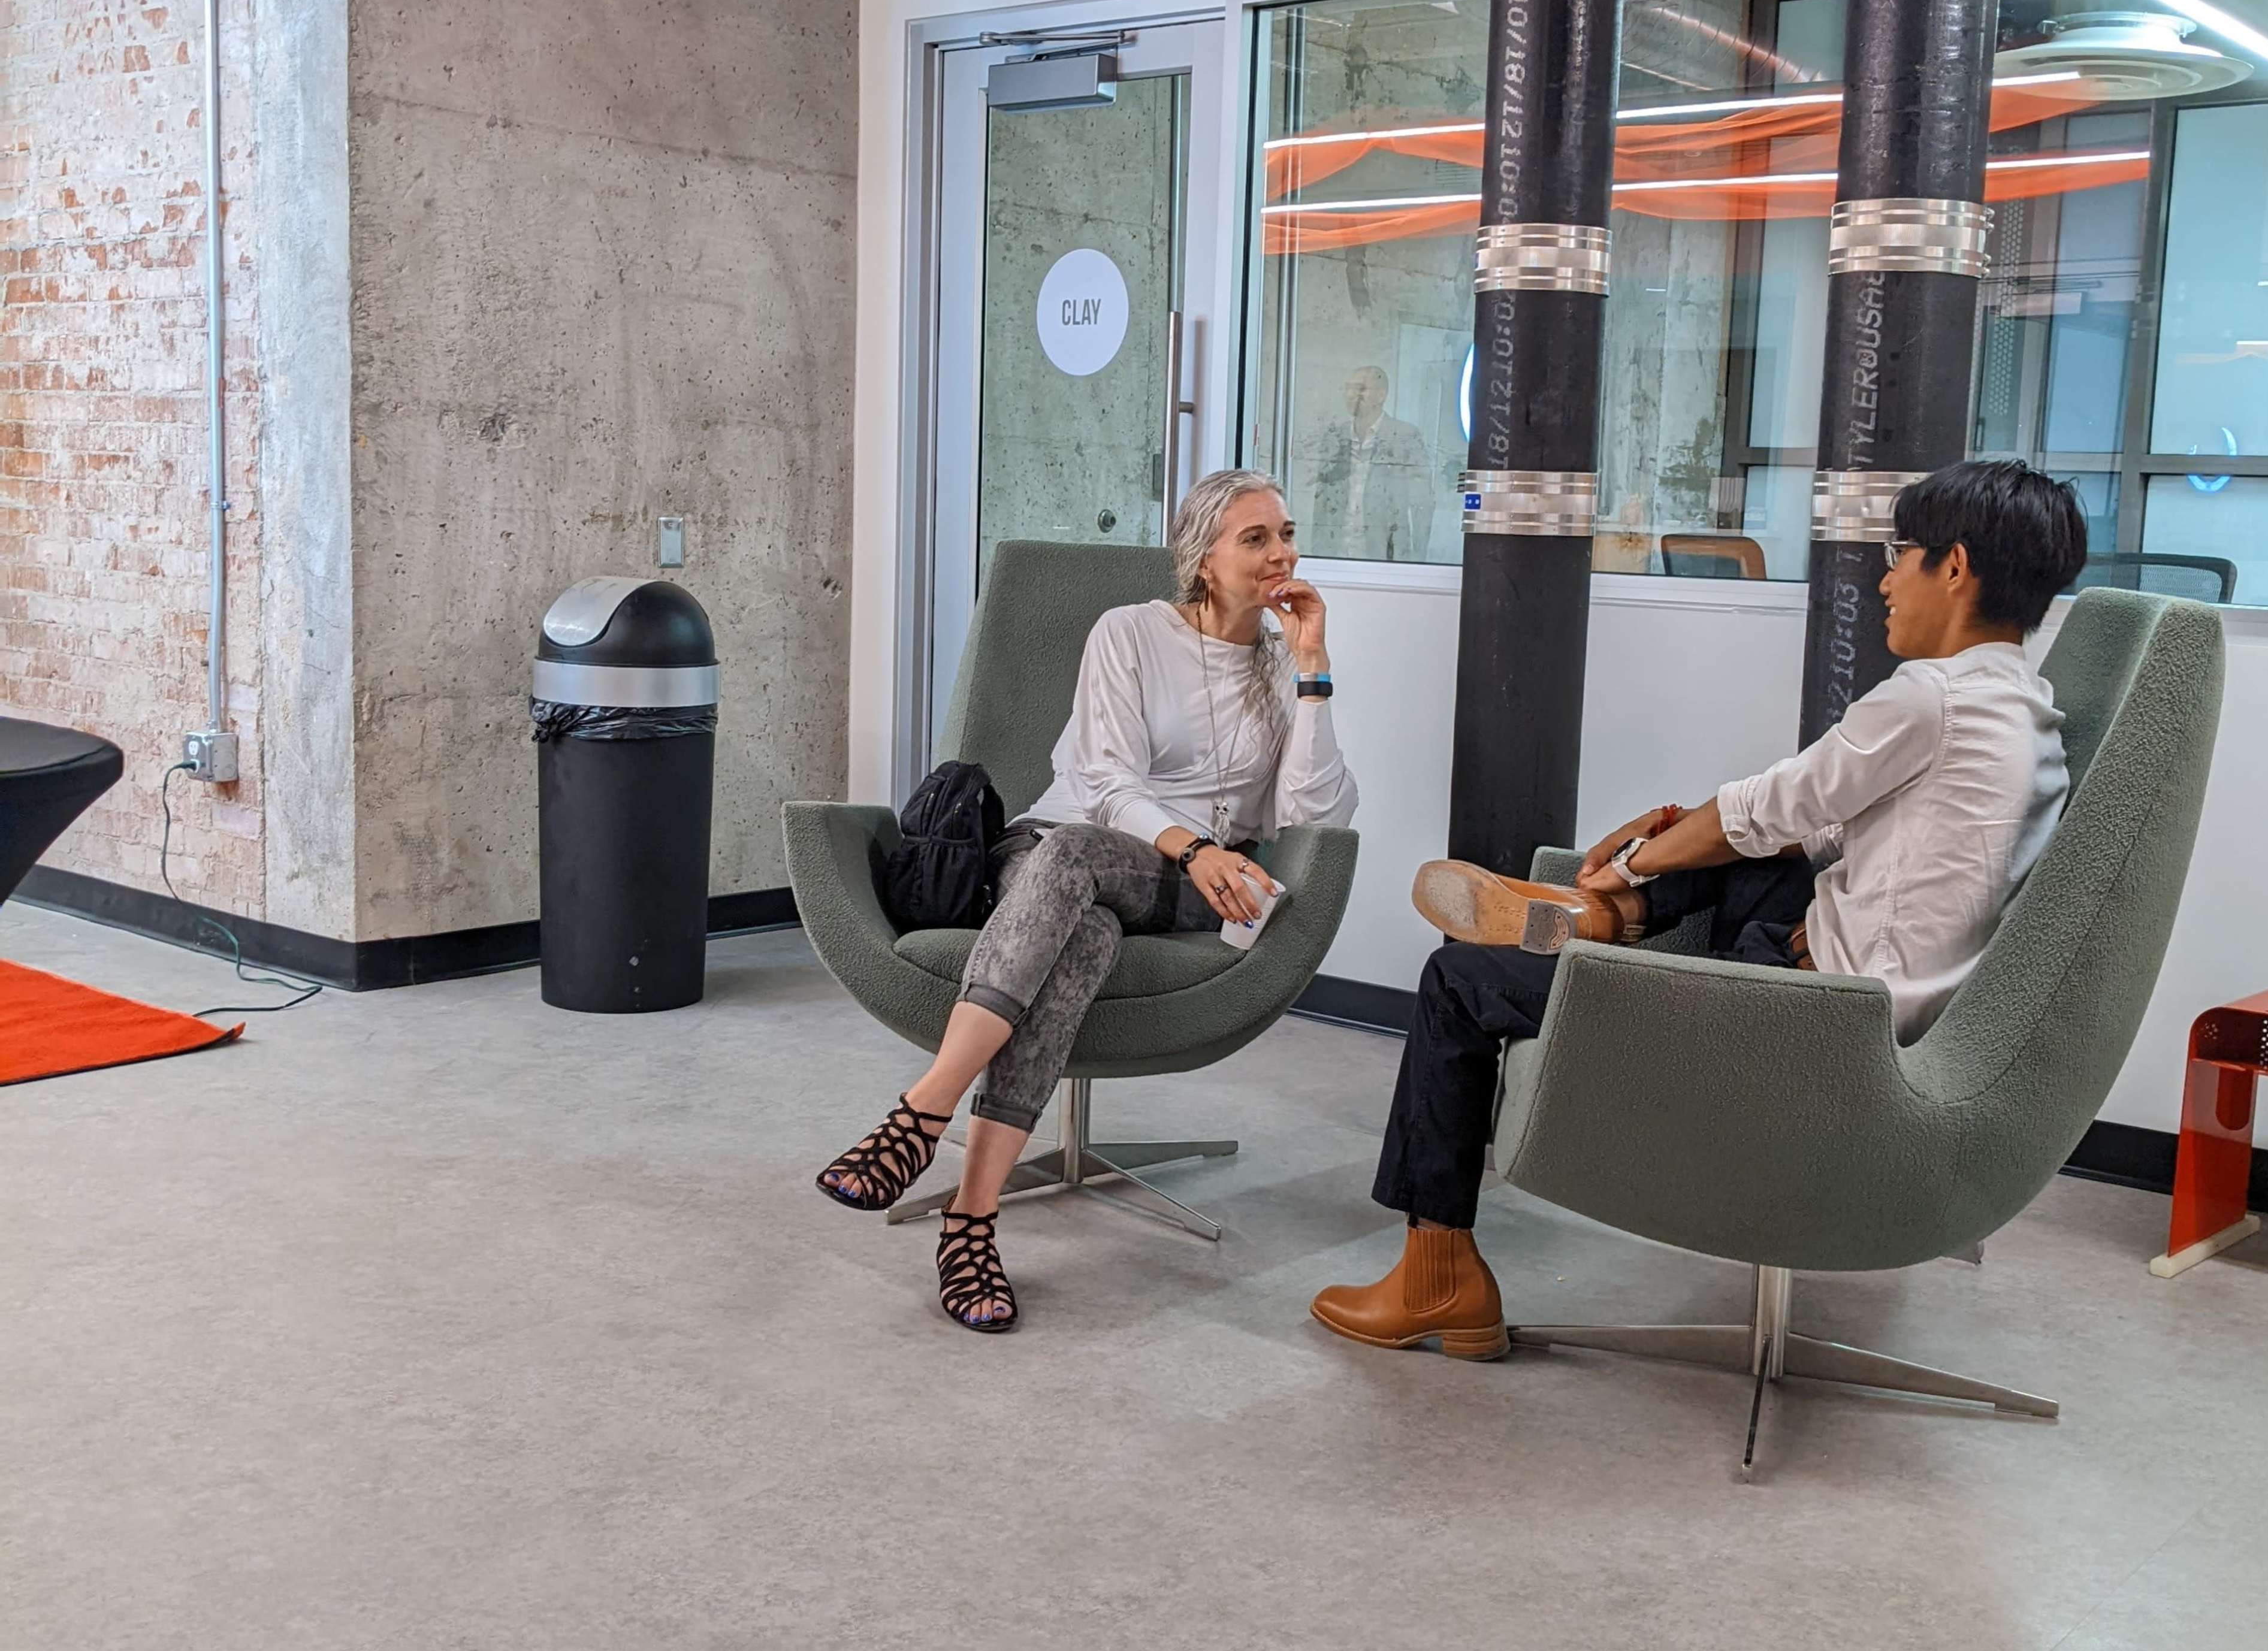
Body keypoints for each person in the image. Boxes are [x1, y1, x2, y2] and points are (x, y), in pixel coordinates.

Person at [1310, 458, 2090, 1360]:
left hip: (1813, 1031)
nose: (1884, 576)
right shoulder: (2026, 708)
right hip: (1873, 1008)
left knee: (1457, 979)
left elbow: (1775, 806)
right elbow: (1851, 839)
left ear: (1953, 568)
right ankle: (1600, 922)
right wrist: (1692, 830)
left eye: (1899, 553)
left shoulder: (1932, 697)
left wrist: (1643, 853)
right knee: (1749, 847)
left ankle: (1440, 1277)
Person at [817, 471, 1358, 1331]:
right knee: (1083, 922)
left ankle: (920, 1117)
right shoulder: (1131, 633)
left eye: (1286, 533)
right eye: (1255, 538)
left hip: (1178, 887)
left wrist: (1313, 671)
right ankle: (970, 1222)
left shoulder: (1279, 671)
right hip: (1056, 852)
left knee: (1090, 889)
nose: (1282, 552)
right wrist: (1197, 842)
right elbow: (1102, 781)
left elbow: (1311, 815)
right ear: (1203, 558)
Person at [1309, 367, 1437, 564]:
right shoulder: (1336, 435)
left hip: (1384, 558)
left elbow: (1423, 503)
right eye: (1348, 389)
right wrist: (1317, 552)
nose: (1352, 395)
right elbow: (1323, 500)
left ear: (1381, 395)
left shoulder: (1405, 436)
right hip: (1336, 555)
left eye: (1361, 389)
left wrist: (1418, 560)